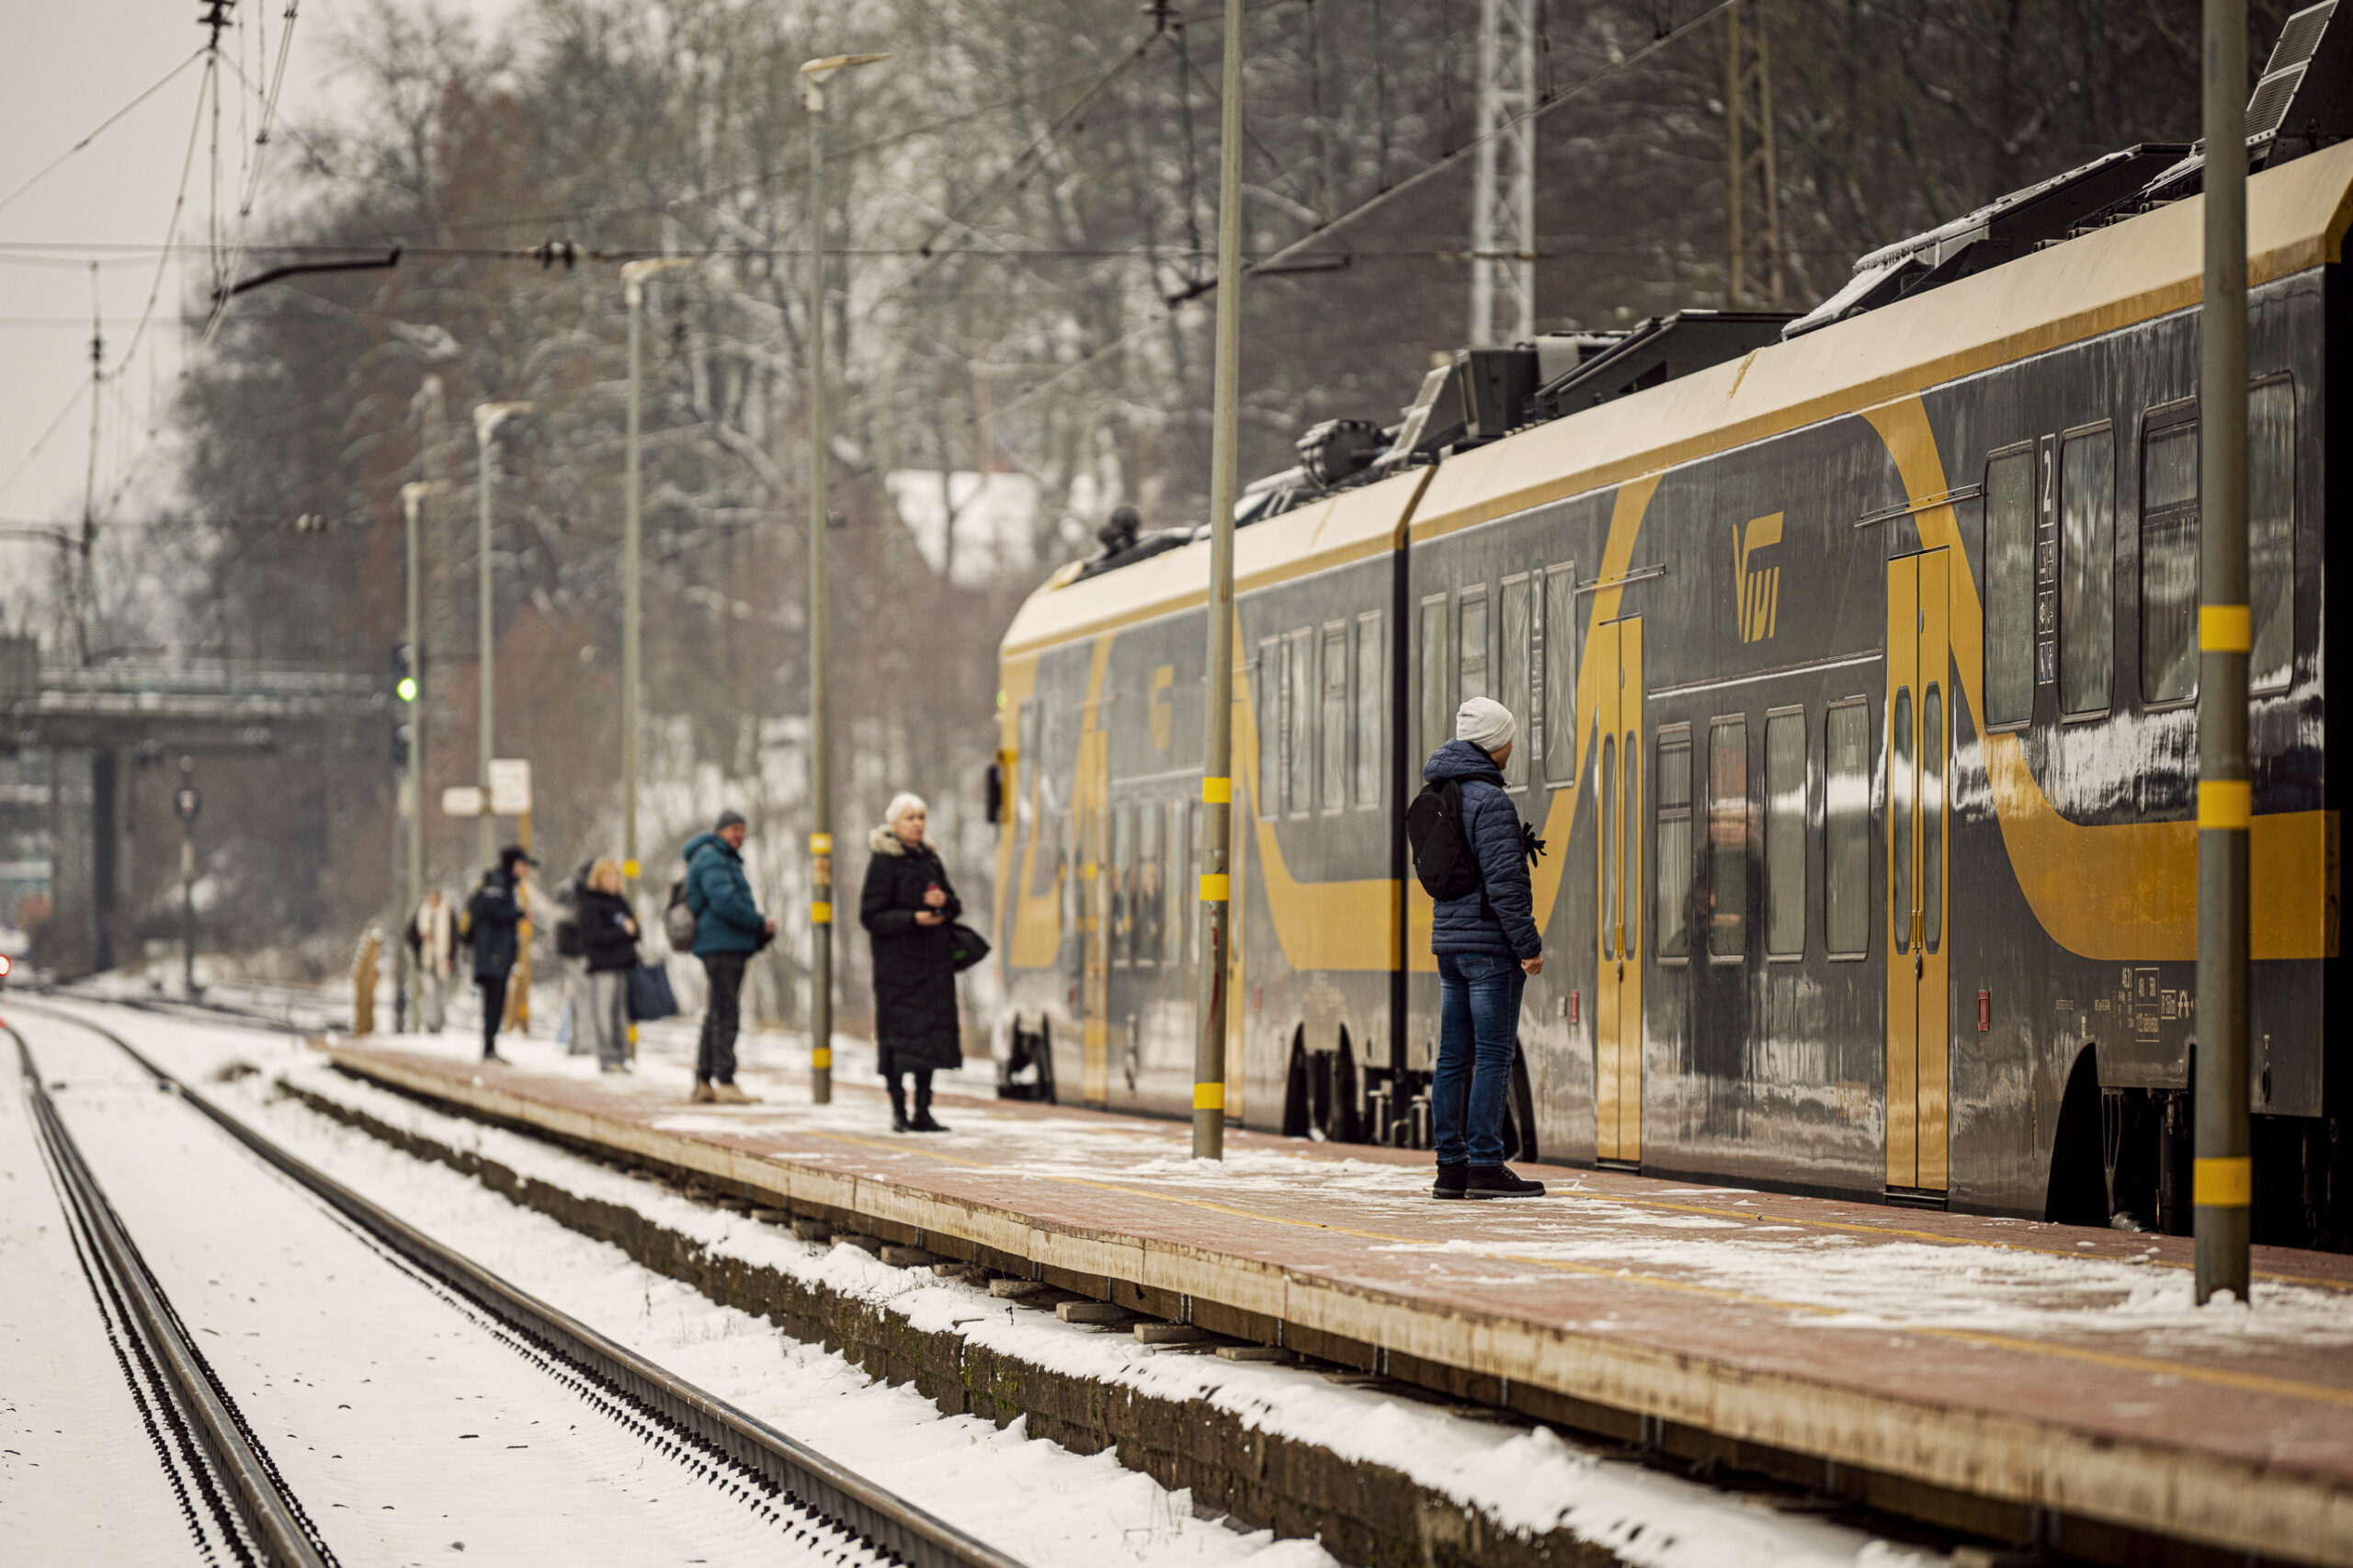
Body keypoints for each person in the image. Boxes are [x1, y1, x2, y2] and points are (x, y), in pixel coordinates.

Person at [1424, 697, 1546, 1199]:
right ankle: (1486, 1165)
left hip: (1449, 945)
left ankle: (1450, 1167)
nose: (1512, 746)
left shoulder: (1441, 793)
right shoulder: (1490, 801)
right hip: (1489, 950)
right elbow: (1506, 885)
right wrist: (1528, 944)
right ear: (1495, 744)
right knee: (1494, 1055)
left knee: (1453, 1057)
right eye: (1508, 738)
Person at [859, 792, 963, 1133]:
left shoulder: (929, 858)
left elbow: (955, 905)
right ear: (894, 824)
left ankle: (923, 1110)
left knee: (929, 1042)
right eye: (910, 818)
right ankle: (898, 1111)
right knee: (897, 1042)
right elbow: (871, 915)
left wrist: (944, 901)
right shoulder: (883, 861)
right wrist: (913, 918)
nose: (917, 824)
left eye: (921, 817)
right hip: (897, 971)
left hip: (932, 967)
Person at [682, 810, 774, 1104]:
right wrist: (758, 923)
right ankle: (725, 1081)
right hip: (722, 944)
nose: (739, 835)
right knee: (726, 1013)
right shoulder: (713, 858)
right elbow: (725, 901)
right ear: (719, 830)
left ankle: (703, 1081)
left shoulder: (718, 857)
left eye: (742, 830)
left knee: (716, 1011)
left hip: (723, 943)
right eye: (734, 829)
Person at [462, 846, 535, 1063]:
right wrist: (519, 913)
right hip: (492, 951)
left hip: (499, 952)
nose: (525, 870)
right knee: (493, 999)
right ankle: (488, 1048)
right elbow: (493, 911)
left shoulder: (507, 883)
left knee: (497, 999)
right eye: (523, 865)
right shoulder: (497, 882)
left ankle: (490, 1047)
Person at [574, 858, 640, 1073]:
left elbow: (635, 930)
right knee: (603, 1013)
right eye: (608, 876)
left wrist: (631, 931)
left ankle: (621, 1056)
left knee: (620, 1014)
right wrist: (623, 932)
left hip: (623, 965)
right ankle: (607, 1058)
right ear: (598, 878)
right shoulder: (590, 903)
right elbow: (592, 936)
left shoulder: (619, 901)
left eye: (615, 876)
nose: (612, 880)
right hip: (602, 966)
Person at [404, 887, 457, 1034]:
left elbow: (455, 938)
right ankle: (430, 1024)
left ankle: (439, 1024)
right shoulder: (421, 914)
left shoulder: (448, 913)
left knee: (441, 995)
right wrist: (421, 938)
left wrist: (451, 958)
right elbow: (409, 935)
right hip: (426, 961)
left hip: (442, 961)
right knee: (429, 993)